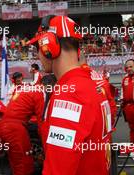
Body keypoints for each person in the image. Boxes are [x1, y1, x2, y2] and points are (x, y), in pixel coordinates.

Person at [27, 15, 111, 175]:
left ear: (48, 47)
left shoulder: (68, 94)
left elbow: (57, 170)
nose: (38, 55)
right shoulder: (93, 84)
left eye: (38, 48)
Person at [0, 75, 56, 175]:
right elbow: (42, 123)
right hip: (15, 128)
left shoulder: (28, 88)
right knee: (24, 164)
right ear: (50, 86)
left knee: (16, 163)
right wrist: (48, 151)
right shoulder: (41, 93)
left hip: (6, 126)